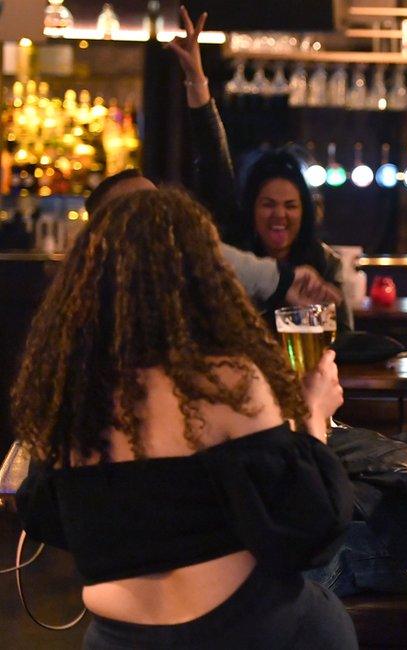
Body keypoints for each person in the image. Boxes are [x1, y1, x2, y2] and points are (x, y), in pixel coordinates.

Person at [14, 189, 357, 649]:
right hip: (247, 630)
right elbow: (311, 528)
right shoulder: (225, 379)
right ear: (204, 277)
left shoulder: (69, 394)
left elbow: (44, 514)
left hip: (116, 638)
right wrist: (314, 415)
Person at [167, 8, 353, 332]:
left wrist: (333, 308)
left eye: (290, 205)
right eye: (268, 204)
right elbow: (214, 165)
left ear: (305, 213)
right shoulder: (237, 257)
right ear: (251, 209)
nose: (279, 215)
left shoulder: (324, 263)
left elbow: (347, 340)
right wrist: (196, 81)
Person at [86, 168, 338, 311]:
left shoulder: (184, 279)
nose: (158, 211)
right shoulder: (100, 302)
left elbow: (210, 255)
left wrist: (285, 281)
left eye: (158, 200)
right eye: (141, 207)